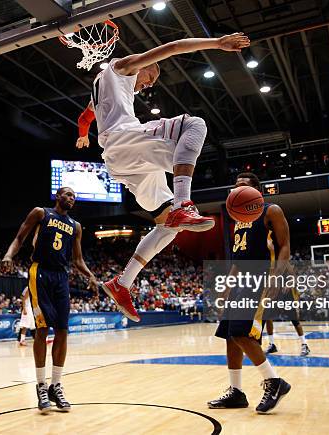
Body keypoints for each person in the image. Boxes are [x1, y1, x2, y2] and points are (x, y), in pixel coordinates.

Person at [75, 33, 250, 322]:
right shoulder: (122, 67)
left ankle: (122, 283)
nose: (149, 84)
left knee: (169, 224)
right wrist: (218, 43)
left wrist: (83, 136)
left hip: (123, 159)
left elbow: (85, 118)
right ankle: (184, 203)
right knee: (194, 125)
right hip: (125, 140)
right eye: (151, 75)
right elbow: (174, 47)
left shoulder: (101, 87)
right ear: (143, 65)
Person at [3, 187, 98, 414]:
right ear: (58, 196)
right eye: (68, 194)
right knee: (43, 329)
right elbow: (19, 237)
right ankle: (41, 386)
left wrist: (91, 275)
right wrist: (9, 255)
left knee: (63, 331)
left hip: (61, 276)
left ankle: (56, 385)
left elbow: (77, 259)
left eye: (74, 196)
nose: (71, 198)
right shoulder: (41, 213)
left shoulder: (76, 226)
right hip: (40, 272)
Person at [208, 172, 291, 414]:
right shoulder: (239, 219)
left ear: (256, 191)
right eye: (235, 187)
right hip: (241, 280)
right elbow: (237, 259)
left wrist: (277, 275)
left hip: (260, 278)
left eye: (243, 186)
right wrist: (227, 286)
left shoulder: (271, 210)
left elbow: (284, 245)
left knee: (242, 333)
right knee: (230, 336)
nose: (237, 190)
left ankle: (275, 382)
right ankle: (236, 392)